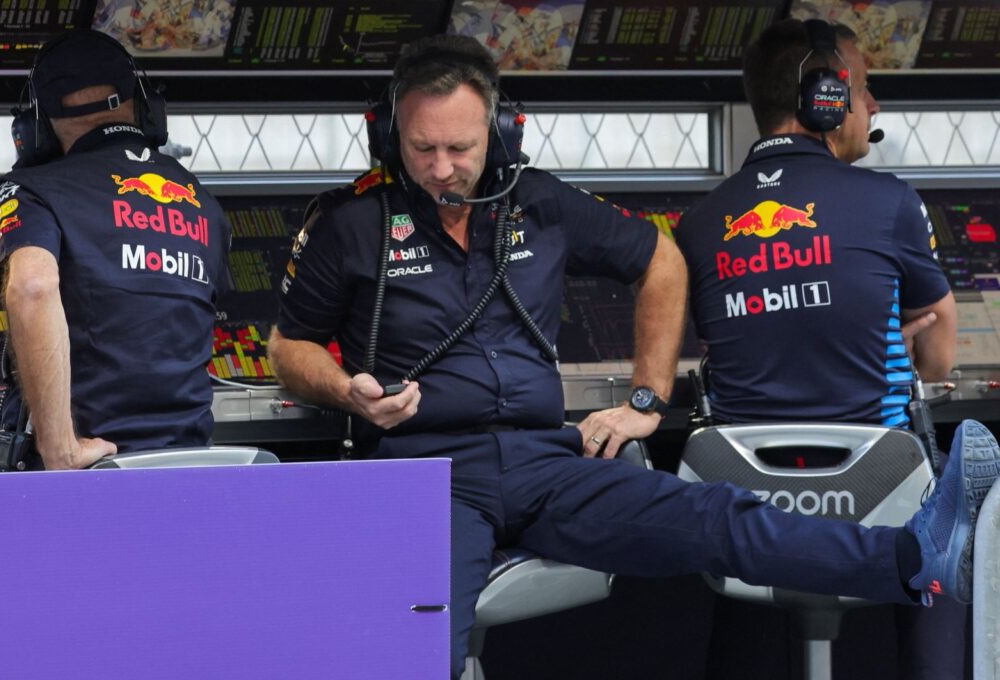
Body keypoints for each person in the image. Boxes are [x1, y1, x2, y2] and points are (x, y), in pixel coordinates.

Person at [268, 34, 999, 679]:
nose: (441, 167)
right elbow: (287, 346)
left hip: (545, 465)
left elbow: (662, 259)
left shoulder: (542, 203)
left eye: (460, 148)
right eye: (423, 148)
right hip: (426, 476)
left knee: (720, 520)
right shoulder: (351, 222)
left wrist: (647, 400)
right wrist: (345, 388)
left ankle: (915, 559)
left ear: (500, 130)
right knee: (416, 639)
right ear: (390, 135)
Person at [676, 19, 967, 678]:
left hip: (750, 507)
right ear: (824, 99)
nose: (874, 107)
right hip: (880, 495)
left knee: (738, 516)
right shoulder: (890, 202)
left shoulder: (696, 225)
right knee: (952, 509)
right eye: (864, 89)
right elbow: (941, 354)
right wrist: (891, 345)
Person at [0, 30, 230, 471]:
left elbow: (34, 287)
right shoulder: (202, 202)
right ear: (143, 104)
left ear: (36, 124)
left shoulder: (29, 190)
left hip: (93, 473)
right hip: (194, 466)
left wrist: (61, 449)